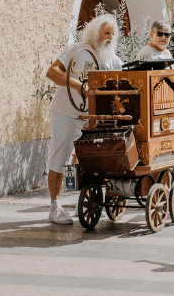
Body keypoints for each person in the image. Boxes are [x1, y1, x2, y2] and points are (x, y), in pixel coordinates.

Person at [45, 14, 123, 225]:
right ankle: (55, 206)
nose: (109, 37)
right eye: (106, 32)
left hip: (93, 120)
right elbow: (51, 73)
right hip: (66, 113)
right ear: (95, 31)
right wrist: (79, 86)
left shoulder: (113, 59)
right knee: (59, 158)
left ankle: (100, 198)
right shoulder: (76, 50)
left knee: (101, 160)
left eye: (112, 34)